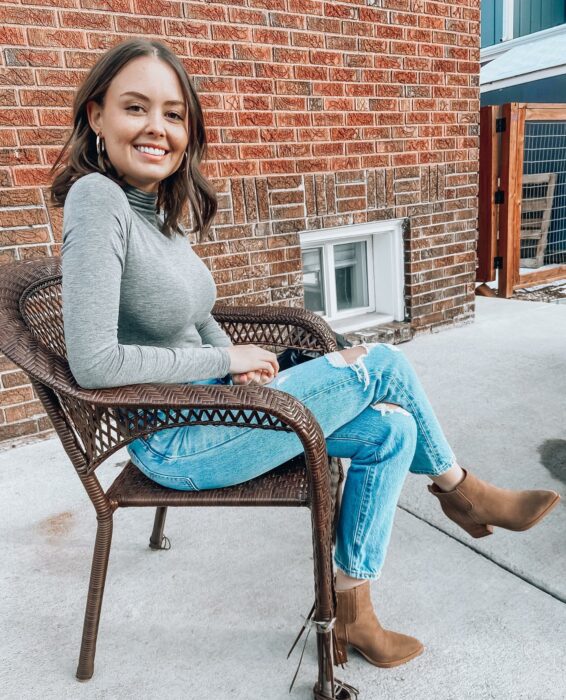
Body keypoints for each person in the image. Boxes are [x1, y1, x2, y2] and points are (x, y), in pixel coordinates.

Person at [52, 39, 560, 670]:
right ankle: (462, 490)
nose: (157, 127)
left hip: (220, 412)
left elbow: (195, 316)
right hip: (176, 444)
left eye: (174, 114)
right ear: (97, 115)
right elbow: (95, 363)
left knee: (394, 429)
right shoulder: (97, 201)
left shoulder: (160, 212)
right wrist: (222, 363)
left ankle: (354, 613)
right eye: (136, 108)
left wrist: (237, 358)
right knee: (382, 366)